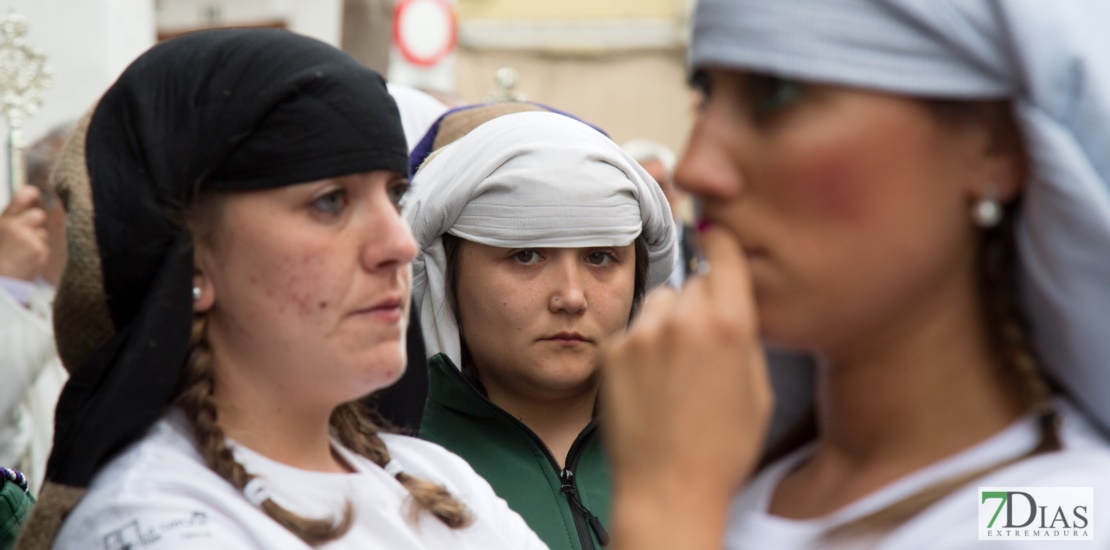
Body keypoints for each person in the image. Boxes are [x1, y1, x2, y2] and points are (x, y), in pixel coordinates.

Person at [602, 0, 1110, 548]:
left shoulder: (1060, 513)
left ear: (991, 143)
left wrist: (667, 508)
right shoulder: (739, 484)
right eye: (706, 95)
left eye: (774, 91)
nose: (697, 167)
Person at [16, 29, 549, 550]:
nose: (399, 244)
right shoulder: (153, 519)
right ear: (192, 257)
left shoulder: (434, 476)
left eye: (394, 196)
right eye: (330, 201)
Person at [404, 103, 676, 550]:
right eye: (526, 255)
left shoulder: (695, 459)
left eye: (600, 257)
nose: (571, 296)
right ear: (446, 276)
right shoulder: (394, 474)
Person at [622, 139, 701, 288]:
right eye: (643, 189)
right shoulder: (623, 250)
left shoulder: (703, 242)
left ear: (676, 190)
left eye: (659, 186)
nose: (652, 198)